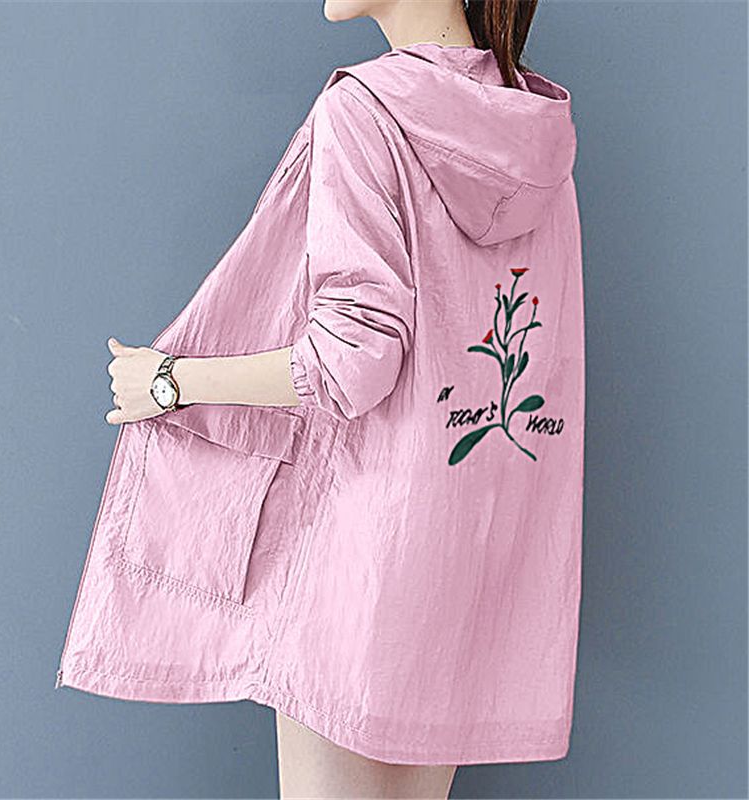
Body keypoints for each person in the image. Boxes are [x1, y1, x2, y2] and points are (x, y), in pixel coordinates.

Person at [56, 0, 584, 797]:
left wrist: (170, 383)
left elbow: (353, 357)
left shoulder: (366, 110)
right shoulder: (531, 130)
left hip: (360, 554)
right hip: (472, 553)